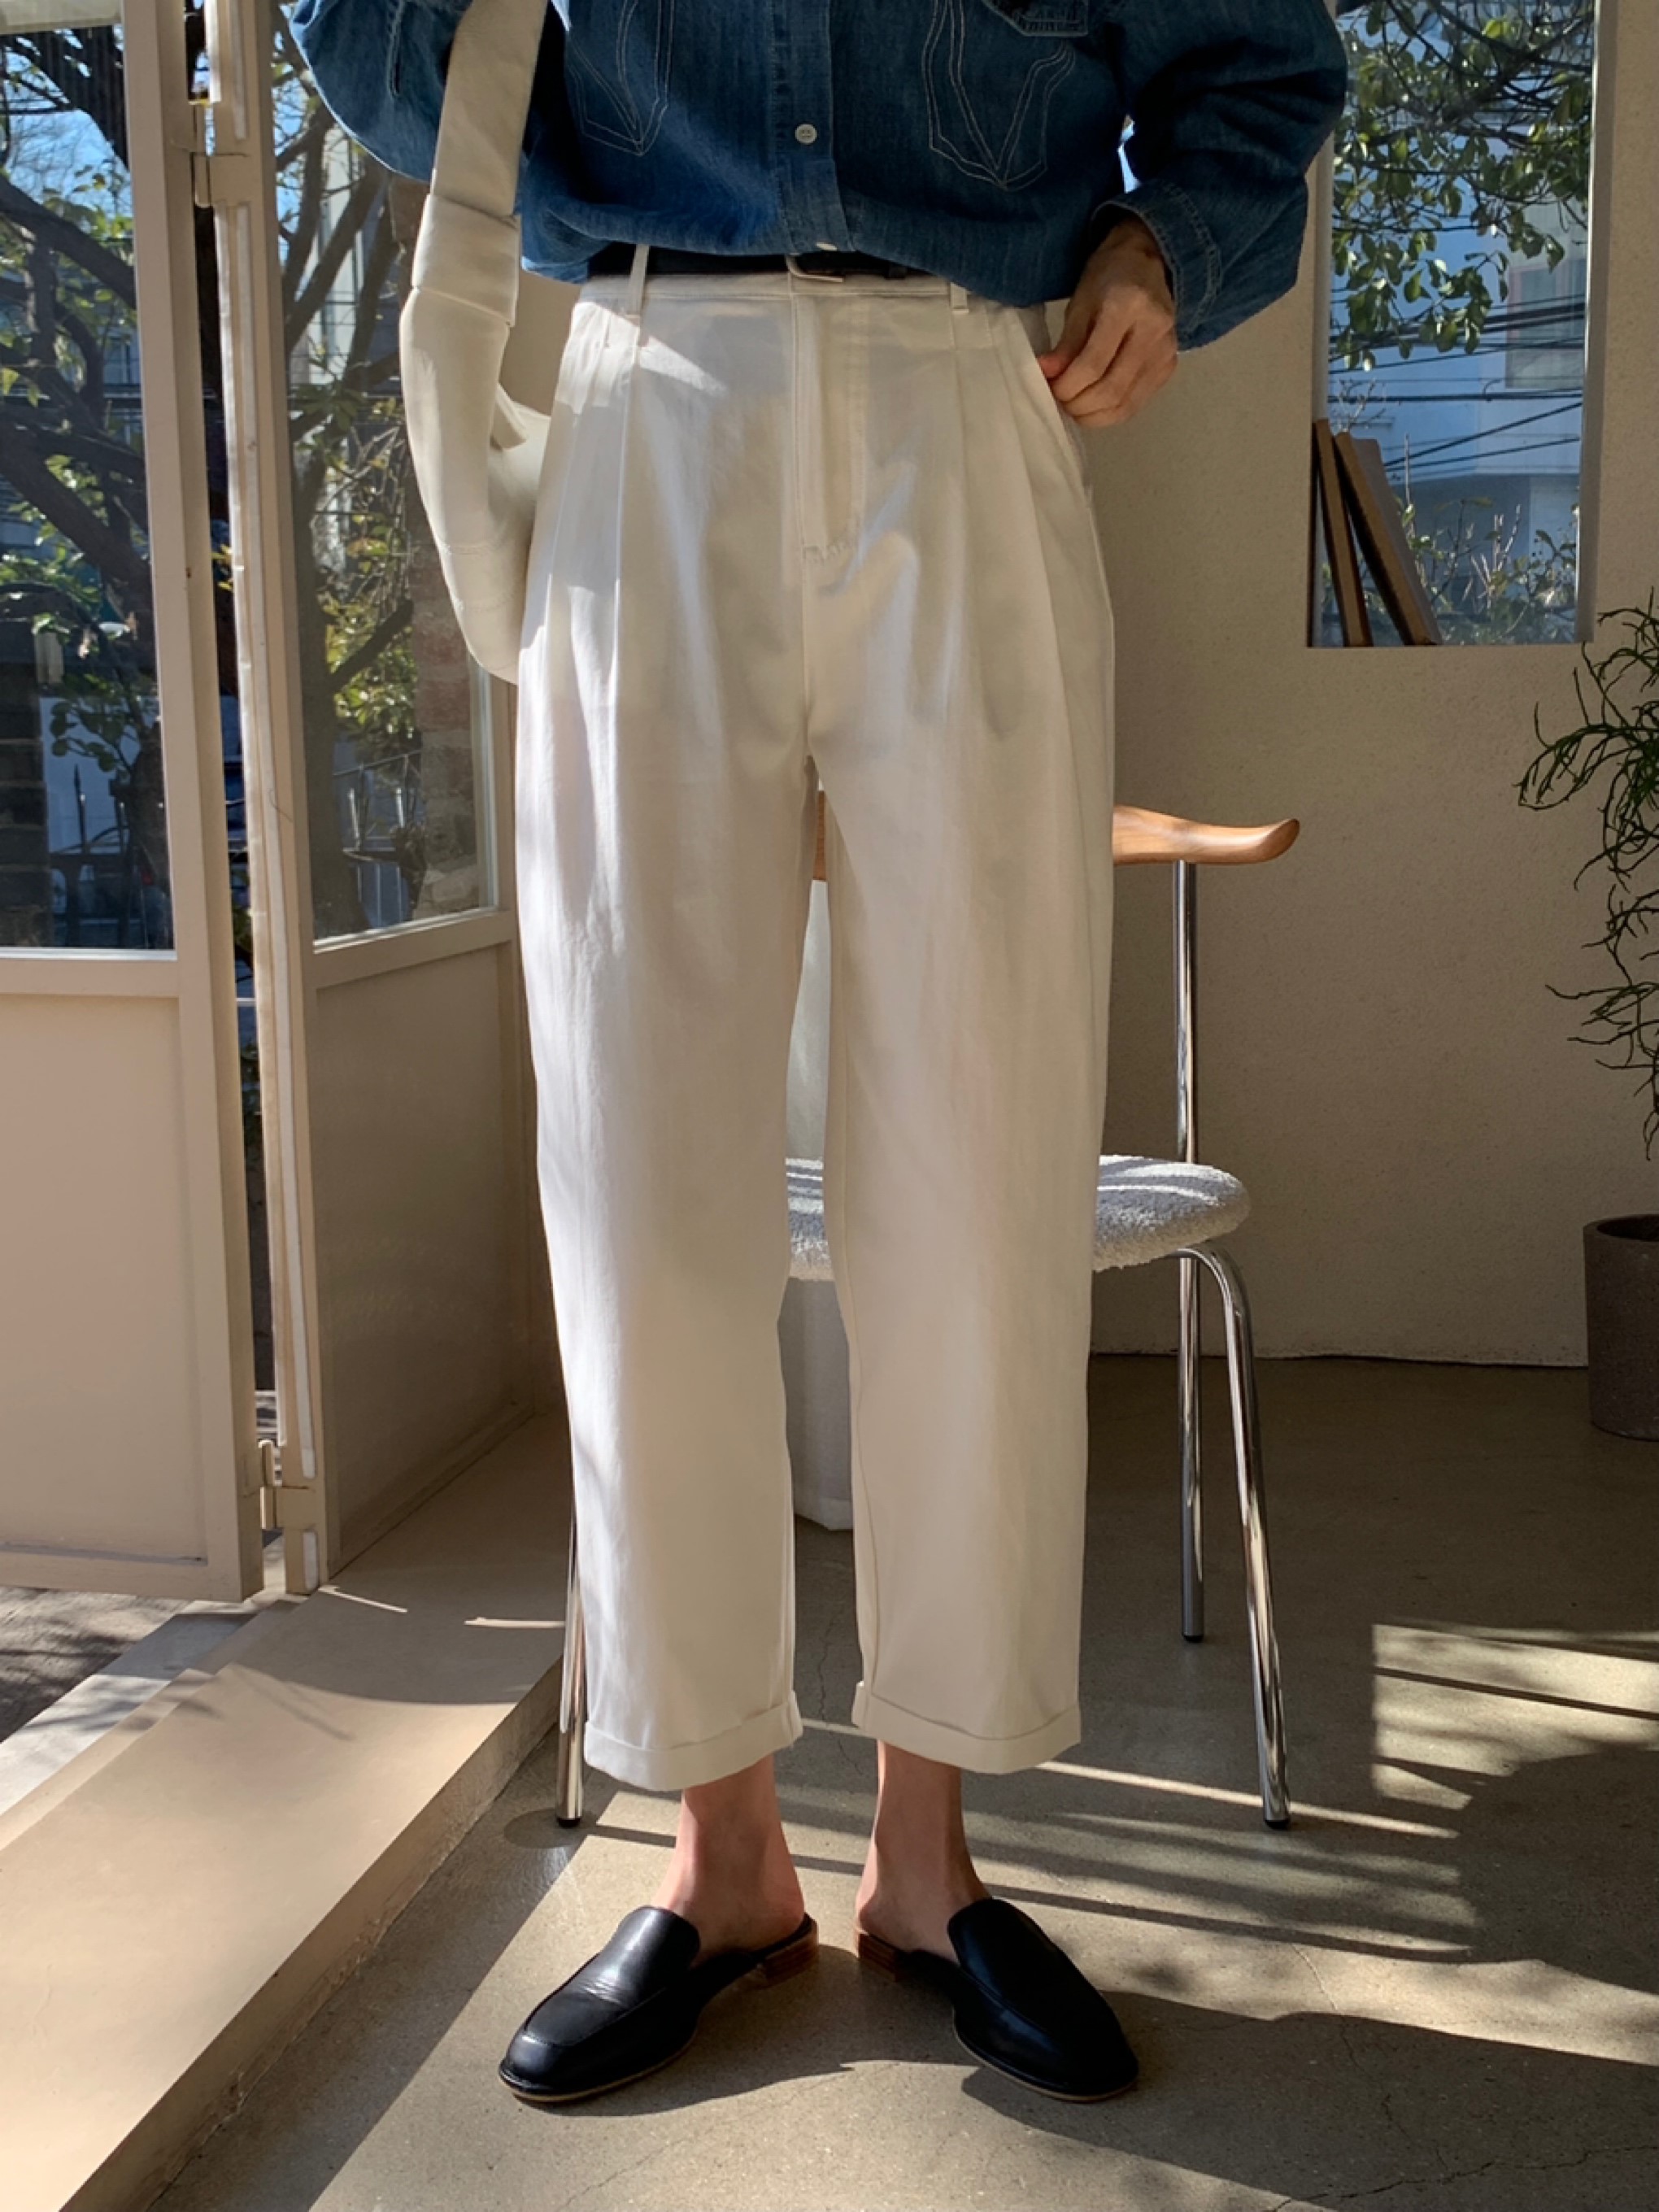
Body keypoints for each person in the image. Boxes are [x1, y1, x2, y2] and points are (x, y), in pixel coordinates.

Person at [293, 0, 1346, 2107]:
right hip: (646, 383)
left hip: (973, 384)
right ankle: (723, 1863)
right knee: (639, 1169)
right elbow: (384, 56)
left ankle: (931, 1866)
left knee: (982, 1153)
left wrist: (1165, 250)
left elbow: (1254, 58)